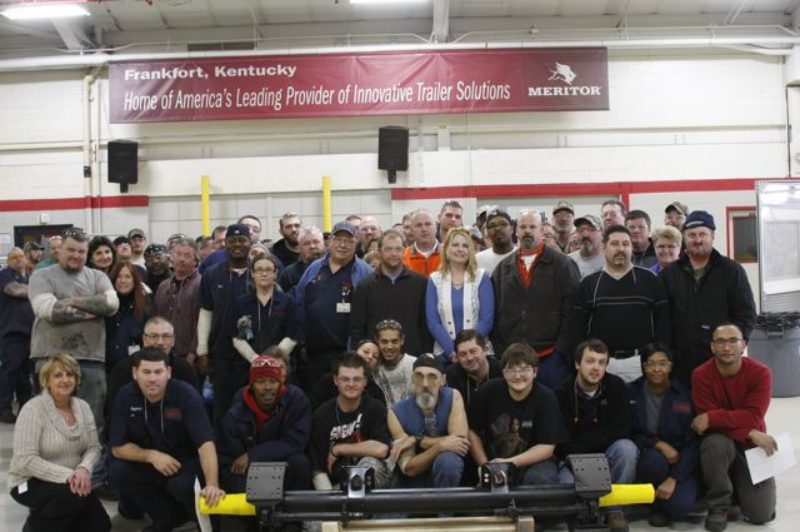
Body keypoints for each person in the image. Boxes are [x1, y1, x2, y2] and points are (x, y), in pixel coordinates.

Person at [28, 227, 120, 484]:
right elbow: (47, 310)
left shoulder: (98, 276)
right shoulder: (42, 276)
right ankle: (53, 478)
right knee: (50, 422)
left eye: (81, 251)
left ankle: (95, 479)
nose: (76, 255)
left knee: (93, 424)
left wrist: (69, 301)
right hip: (50, 357)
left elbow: (111, 305)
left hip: (91, 359)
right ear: (59, 250)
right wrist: (92, 305)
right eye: (71, 249)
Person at [109, 348, 224, 531]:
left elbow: (205, 443)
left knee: (180, 485)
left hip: (186, 463)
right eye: (146, 372)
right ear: (135, 373)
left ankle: (208, 522)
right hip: (150, 462)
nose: (152, 378)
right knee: (117, 470)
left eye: (158, 372)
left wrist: (212, 484)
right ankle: (166, 517)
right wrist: (151, 456)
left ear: (168, 373)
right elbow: (117, 447)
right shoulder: (125, 395)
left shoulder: (186, 394)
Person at [9, 354, 111, 532]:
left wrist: (84, 469)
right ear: (46, 381)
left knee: (101, 525)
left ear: (76, 379)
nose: (65, 380)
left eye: (70, 375)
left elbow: (93, 447)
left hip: (72, 480)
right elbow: (25, 460)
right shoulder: (33, 409)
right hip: (28, 482)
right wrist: (69, 476)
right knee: (71, 497)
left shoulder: (83, 407)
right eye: (57, 375)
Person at [691, 323, 776, 531]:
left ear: (743, 345)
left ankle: (738, 490)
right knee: (714, 443)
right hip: (723, 442)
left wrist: (714, 417)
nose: (726, 347)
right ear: (712, 347)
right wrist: (748, 430)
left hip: (751, 444)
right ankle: (719, 506)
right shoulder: (700, 375)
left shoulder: (761, 373)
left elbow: (753, 415)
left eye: (733, 341)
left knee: (761, 514)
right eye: (720, 341)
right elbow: (706, 423)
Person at [660, 211, 757, 385]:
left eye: (703, 234)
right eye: (692, 235)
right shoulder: (669, 274)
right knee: (684, 411)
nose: (697, 240)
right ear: (684, 239)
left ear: (712, 236)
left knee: (718, 411)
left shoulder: (732, 271)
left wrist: (733, 348)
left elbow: (746, 314)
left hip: (721, 364)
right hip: (680, 365)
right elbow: (662, 318)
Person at [567, 225, 671, 382]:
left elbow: (663, 327)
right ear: (603, 247)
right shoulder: (588, 284)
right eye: (615, 244)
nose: (621, 248)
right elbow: (576, 331)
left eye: (626, 244)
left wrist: (656, 361)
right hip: (601, 364)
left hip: (641, 363)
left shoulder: (651, 280)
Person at [555, 339, 638, 532]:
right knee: (564, 484)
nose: (596, 368)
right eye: (590, 361)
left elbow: (623, 428)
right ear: (577, 364)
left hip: (606, 453)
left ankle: (614, 511)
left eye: (602, 362)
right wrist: (595, 443)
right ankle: (580, 514)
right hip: (572, 459)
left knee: (627, 449)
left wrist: (589, 444)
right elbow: (562, 441)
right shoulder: (561, 393)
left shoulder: (616, 386)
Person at [491, 210, 580, 389]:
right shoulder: (502, 268)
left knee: (553, 411)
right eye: (523, 227)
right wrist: (502, 352)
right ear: (516, 231)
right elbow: (494, 313)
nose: (527, 231)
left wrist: (561, 351)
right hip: (513, 359)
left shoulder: (562, 265)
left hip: (551, 358)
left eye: (533, 226)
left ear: (542, 231)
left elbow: (573, 311)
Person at [468, 343, 565, 485]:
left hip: (534, 462)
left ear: (535, 372)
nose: (518, 376)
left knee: (541, 478)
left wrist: (507, 463)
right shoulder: (487, 392)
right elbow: (472, 431)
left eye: (524, 369)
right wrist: (486, 467)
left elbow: (547, 447)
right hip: (493, 460)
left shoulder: (547, 398)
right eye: (511, 370)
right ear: (503, 372)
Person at [294, 221, 372, 392]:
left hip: (349, 354)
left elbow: (371, 312)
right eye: (338, 239)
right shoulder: (314, 269)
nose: (343, 245)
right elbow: (299, 304)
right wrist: (301, 342)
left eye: (349, 241)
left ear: (356, 243)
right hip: (314, 355)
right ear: (329, 242)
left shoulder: (365, 272)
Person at [218, 355, 312, 498]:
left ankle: (293, 517)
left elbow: (296, 442)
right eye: (260, 382)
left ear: (280, 382)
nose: (267, 387)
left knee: (300, 463)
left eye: (273, 381)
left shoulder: (297, 400)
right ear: (252, 385)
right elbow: (231, 461)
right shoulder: (235, 413)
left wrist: (253, 455)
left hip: (282, 464)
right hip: (249, 473)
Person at [628, 343, 698, 527]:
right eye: (651, 363)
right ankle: (655, 506)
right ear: (643, 366)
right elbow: (629, 433)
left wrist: (674, 478)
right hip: (649, 457)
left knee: (681, 507)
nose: (657, 369)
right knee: (653, 462)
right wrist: (658, 444)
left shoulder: (684, 395)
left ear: (671, 366)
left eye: (663, 363)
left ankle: (659, 505)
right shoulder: (631, 392)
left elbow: (693, 443)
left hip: (680, 461)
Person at [197, 223, 254, 423]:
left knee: (252, 409)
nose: (237, 245)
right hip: (221, 354)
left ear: (250, 243)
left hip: (253, 355)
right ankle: (223, 453)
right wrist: (202, 350)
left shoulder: (260, 272)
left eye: (242, 240)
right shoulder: (212, 274)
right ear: (225, 244)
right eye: (232, 241)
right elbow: (205, 312)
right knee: (223, 410)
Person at [309, 353, 393, 489]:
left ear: (365, 381)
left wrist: (339, 449)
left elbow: (382, 449)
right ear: (336, 380)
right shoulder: (321, 415)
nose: (351, 384)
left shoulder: (376, 408)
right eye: (345, 379)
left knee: (370, 465)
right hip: (337, 487)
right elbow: (317, 468)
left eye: (357, 379)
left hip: (372, 484)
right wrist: (329, 501)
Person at [388, 354, 469, 488]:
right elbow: (408, 467)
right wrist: (440, 446)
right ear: (412, 379)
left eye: (432, 377)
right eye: (419, 376)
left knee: (448, 461)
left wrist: (416, 440)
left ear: (443, 380)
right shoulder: (396, 413)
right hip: (412, 478)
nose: (425, 384)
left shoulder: (453, 396)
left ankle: (446, 509)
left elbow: (460, 444)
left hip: (446, 472)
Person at [350, 229, 431, 357]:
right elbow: (357, 328)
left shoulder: (421, 283)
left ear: (404, 250)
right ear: (379, 252)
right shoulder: (364, 286)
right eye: (388, 249)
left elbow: (425, 325)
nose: (394, 253)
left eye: (398, 249)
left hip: (412, 358)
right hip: (376, 359)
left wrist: (426, 355)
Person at [426, 227, 494, 363]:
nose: (460, 249)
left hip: (477, 355)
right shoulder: (434, 279)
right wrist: (453, 352)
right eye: (455, 245)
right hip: (445, 354)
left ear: (470, 251)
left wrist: (468, 351)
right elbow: (433, 322)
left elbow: (487, 319)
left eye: (465, 245)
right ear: (446, 250)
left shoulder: (481, 277)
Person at [231, 255, 298, 366]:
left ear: (275, 273)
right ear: (252, 273)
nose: (264, 273)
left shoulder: (287, 302)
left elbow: (293, 335)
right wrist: (255, 359)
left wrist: (273, 359)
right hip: (249, 364)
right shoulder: (242, 304)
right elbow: (240, 337)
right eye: (259, 270)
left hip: (279, 364)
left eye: (268, 270)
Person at [153, 237, 201, 363]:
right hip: (162, 353)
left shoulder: (202, 285)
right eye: (178, 254)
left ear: (195, 260)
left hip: (189, 356)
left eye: (187, 255)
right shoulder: (163, 286)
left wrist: (193, 353)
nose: (181, 259)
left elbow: (202, 323)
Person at [0, 247, 34, 423]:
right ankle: (4, 409)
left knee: (24, 375)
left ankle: (25, 408)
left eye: (21, 256)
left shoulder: (29, 276)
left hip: (30, 334)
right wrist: (38, 290)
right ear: (8, 260)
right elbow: (15, 291)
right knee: (8, 374)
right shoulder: (4, 275)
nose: (18, 260)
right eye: (14, 257)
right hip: (11, 334)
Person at [312, 341, 386, 410]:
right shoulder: (327, 382)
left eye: (375, 356)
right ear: (354, 352)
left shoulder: (375, 392)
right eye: (366, 352)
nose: (370, 357)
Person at [105, 262, 150, 373]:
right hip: (108, 367)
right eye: (119, 276)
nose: (123, 280)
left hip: (134, 367)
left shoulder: (145, 306)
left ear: (134, 280)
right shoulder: (106, 306)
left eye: (127, 276)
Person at [445, 329, 501, 410]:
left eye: (473, 351)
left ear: (485, 350)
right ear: (457, 357)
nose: (469, 358)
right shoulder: (452, 374)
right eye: (463, 354)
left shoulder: (500, 370)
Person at [373, 319, 416, 408]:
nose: (389, 347)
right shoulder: (374, 367)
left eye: (394, 341)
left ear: (402, 340)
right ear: (377, 340)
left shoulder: (414, 364)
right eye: (384, 342)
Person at [279, 226, 326, 293]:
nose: (312, 246)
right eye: (306, 243)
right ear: (299, 248)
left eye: (316, 242)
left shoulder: (334, 268)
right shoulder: (289, 274)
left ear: (324, 244)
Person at [475, 207, 517, 274]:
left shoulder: (522, 256)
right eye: (492, 226)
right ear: (487, 232)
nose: (497, 228)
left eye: (503, 224)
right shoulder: (478, 259)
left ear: (512, 228)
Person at [403, 209, 441, 277]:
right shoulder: (403, 257)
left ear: (436, 227)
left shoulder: (448, 254)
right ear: (411, 230)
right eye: (418, 225)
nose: (424, 229)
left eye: (428, 224)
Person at [568, 214, 605, 278]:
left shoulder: (610, 261)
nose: (585, 235)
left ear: (602, 234)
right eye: (580, 230)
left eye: (591, 229)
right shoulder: (568, 261)